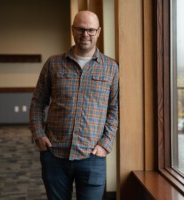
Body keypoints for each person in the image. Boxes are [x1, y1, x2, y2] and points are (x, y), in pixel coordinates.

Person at [29, 10, 119, 200]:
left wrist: (105, 143)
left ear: (99, 32)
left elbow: (114, 110)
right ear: (73, 30)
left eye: (91, 30)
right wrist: (38, 135)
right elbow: (38, 102)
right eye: (80, 29)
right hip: (55, 154)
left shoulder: (111, 67)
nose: (85, 34)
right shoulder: (53, 64)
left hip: (93, 155)